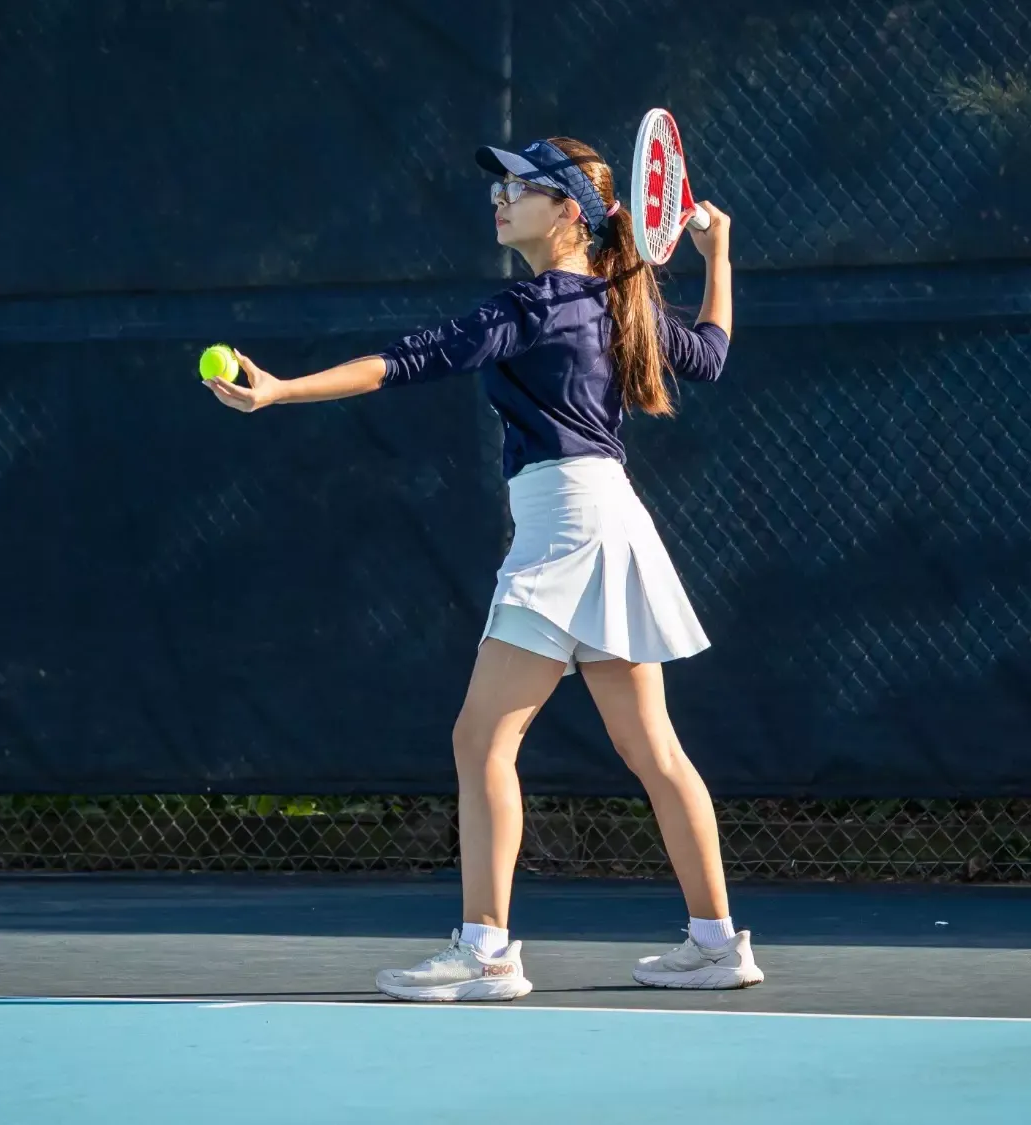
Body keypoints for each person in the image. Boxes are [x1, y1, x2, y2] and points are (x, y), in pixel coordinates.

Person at [206, 136, 760, 1002]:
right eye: (499, 185)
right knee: (652, 749)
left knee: (483, 738)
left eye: (521, 187)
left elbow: (406, 360)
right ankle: (717, 943)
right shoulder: (619, 302)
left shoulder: (538, 304)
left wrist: (280, 389)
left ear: (570, 210)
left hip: (569, 526)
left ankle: (488, 951)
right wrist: (721, 256)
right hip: (608, 518)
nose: (499, 198)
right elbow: (713, 351)